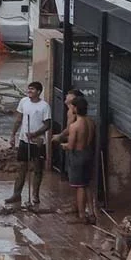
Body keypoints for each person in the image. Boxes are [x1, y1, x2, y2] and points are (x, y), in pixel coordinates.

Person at [6, 81, 52, 207]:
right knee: (22, 167)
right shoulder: (24, 102)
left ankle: (35, 195)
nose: (29, 91)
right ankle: (16, 194)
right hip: (24, 140)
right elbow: (19, 119)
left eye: (32, 89)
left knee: (37, 169)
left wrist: (35, 134)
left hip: (37, 142)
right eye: (29, 89)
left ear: (38, 92)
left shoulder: (44, 106)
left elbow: (48, 125)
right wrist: (13, 134)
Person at [56, 94, 96, 223]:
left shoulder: (75, 126)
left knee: (80, 186)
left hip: (78, 156)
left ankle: (81, 216)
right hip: (88, 153)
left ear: (75, 108)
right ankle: (91, 212)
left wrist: (62, 144)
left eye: (72, 106)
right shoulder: (90, 122)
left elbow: (71, 145)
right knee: (87, 184)